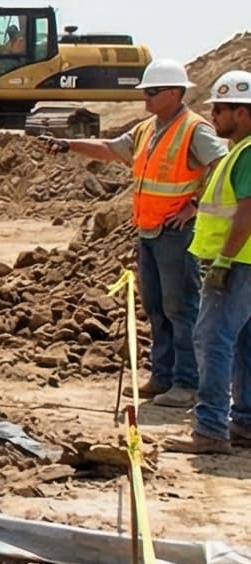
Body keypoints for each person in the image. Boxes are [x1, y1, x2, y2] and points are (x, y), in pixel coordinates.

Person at [56, 59, 221, 401]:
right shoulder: (148, 129)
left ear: (175, 93)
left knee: (181, 308)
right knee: (157, 308)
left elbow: (221, 167)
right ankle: (163, 377)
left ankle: (187, 383)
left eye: (152, 91)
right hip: (148, 231)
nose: (145, 98)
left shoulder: (194, 129)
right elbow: (111, 149)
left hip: (176, 233)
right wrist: (69, 144)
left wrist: (196, 205)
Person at [176, 70, 251, 454]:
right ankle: (245, 424)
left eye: (220, 109)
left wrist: (223, 260)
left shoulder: (248, 153)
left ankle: (209, 428)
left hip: (238, 264)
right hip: (244, 263)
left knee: (213, 341)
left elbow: (246, 212)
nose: (214, 116)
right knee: (244, 343)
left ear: (242, 112)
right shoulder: (240, 151)